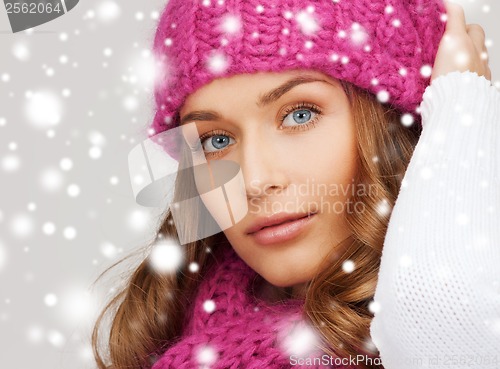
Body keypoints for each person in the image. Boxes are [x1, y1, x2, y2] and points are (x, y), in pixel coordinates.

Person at [92, 0, 500, 368]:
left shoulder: (468, 321)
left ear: (396, 122)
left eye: (300, 115)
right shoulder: (167, 336)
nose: (255, 180)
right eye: (216, 141)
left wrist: (460, 113)